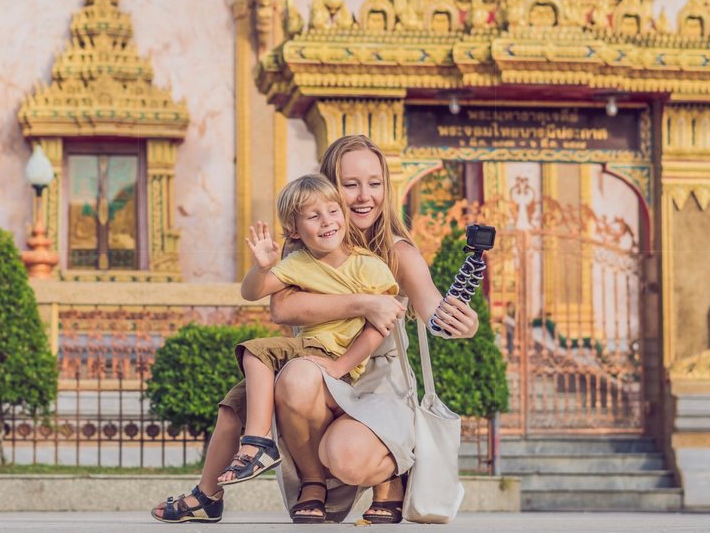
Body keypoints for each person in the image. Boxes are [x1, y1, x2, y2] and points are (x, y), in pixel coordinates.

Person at [152, 135, 478, 524]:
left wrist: (462, 322)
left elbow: (433, 311)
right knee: (245, 400)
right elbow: (283, 307)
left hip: (374, 379)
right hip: (314, 366)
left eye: (374, 183)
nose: (364, 196)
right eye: (350, 184)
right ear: (328, 187)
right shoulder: (304, 249)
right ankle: (267, 487)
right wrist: (363, 302)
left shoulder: (396, 253)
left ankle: (391, 473)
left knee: (345, 455)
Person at [217, 174, 398, 498]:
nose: (327, 221)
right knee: (233, 403)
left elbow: (379, 328)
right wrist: (262, 267)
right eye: (314, 216)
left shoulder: (369, 266)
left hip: (334, 357)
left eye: (333, 211)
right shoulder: (298, 263)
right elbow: (252, 293)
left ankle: (257, 443)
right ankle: (210, 493)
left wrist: (343, 365)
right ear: (294, 231)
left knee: (255, 352)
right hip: (307, 350)